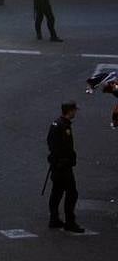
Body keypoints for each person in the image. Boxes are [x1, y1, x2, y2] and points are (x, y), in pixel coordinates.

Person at [46, 100, 83, 233]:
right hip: (63, 165)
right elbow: (62, 146)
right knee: (72, 193)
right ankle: (70, 222)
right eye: (74, 110)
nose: (75, 113)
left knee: (57, 191)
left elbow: (50, 143)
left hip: (57, 165)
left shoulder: (57, 124)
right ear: (70, 111)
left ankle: (54, 218)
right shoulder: (63, 126)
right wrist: (64, 160)